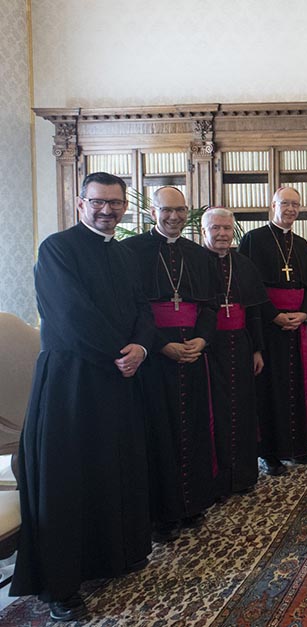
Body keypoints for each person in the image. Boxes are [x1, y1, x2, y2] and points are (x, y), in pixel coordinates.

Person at [12, 172, 154, 622]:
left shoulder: (128, 254)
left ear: (126, 207)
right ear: (80, 203)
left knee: (113, 469)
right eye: (98, 202)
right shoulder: (57, 248)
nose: (107, 210)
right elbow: (72, 315)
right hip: (71, 384)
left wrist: (142, 347)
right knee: (67, 481)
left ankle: (112, 558)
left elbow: (143, 309)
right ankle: (61, 586)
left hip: (117, 378)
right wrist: (121, 353)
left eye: (115, 203)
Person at [121, 185, 219, 542]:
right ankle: (161, 513)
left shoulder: (199, 254)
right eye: (167, 210)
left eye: (180, 210)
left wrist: (202, 340)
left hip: (192, 353)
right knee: (157, 432)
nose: (174, 217)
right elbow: (133, 309)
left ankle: (192, 503)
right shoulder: (130, 252)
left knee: (192, 427)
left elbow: (209, 306)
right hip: (152, 358)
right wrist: (161, 346)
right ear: (152, 213)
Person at [238, 186, 307, 476]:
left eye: (295, 205)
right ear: (272, 205)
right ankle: (270, 453)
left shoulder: (300, 243)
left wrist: (304, 313)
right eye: (285, 203)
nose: (291, 209)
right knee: (270, 389)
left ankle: (297, 446)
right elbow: (249, 286)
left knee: (297, 386)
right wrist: (275, 316)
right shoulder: (253, 239)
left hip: (296, 325)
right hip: (268, 326)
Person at [202, 208, 269, 496]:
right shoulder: (195, 262)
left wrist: (257, 349)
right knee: (212, 411)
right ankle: (216, 481)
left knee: (242, 408)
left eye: (227, 229)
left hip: (240, 346)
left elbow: (253, 311)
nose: (221, 234)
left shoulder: (244, 264)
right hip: (209, 347)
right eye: (215, 228)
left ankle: (242, 476)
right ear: (204, 230)